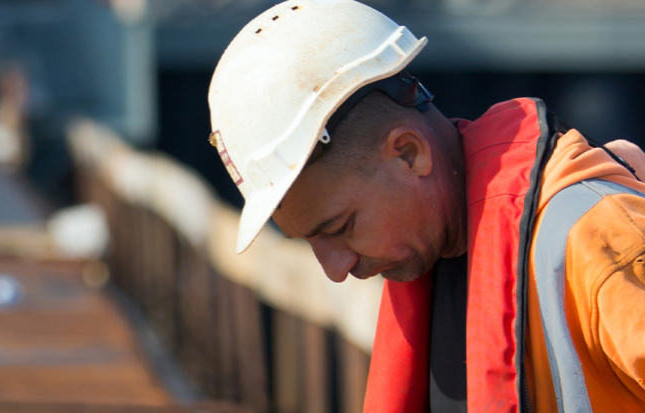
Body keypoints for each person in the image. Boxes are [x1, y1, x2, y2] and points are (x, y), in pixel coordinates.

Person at [207, 0, 645, 411]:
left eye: (340, 227)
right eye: (309, 241)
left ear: (409, 154)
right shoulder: (441, 255)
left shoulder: (600, 243)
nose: (335, 269)